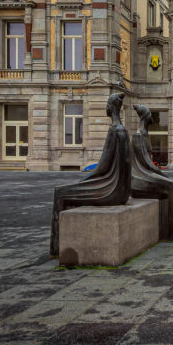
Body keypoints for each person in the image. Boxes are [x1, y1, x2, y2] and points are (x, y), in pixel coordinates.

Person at [50, 92, 130, 256]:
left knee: (61, 193)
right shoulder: (124, 130)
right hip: (122, 191)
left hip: (111, 190)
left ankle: (57, 248)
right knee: (68, 191)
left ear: (111, 107)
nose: (106, 107)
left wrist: (81, 182)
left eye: (107, 104)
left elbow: (102, 168)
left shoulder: (114, 130)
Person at [131, 103, 173, 242]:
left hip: (147, 173)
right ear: (145, 116)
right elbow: (145, 163)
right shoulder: (139, 136)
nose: (152, 118)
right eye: (150, 114)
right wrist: (162, 174)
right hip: (140, 177)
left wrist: (161, 174)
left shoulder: (145, 134)